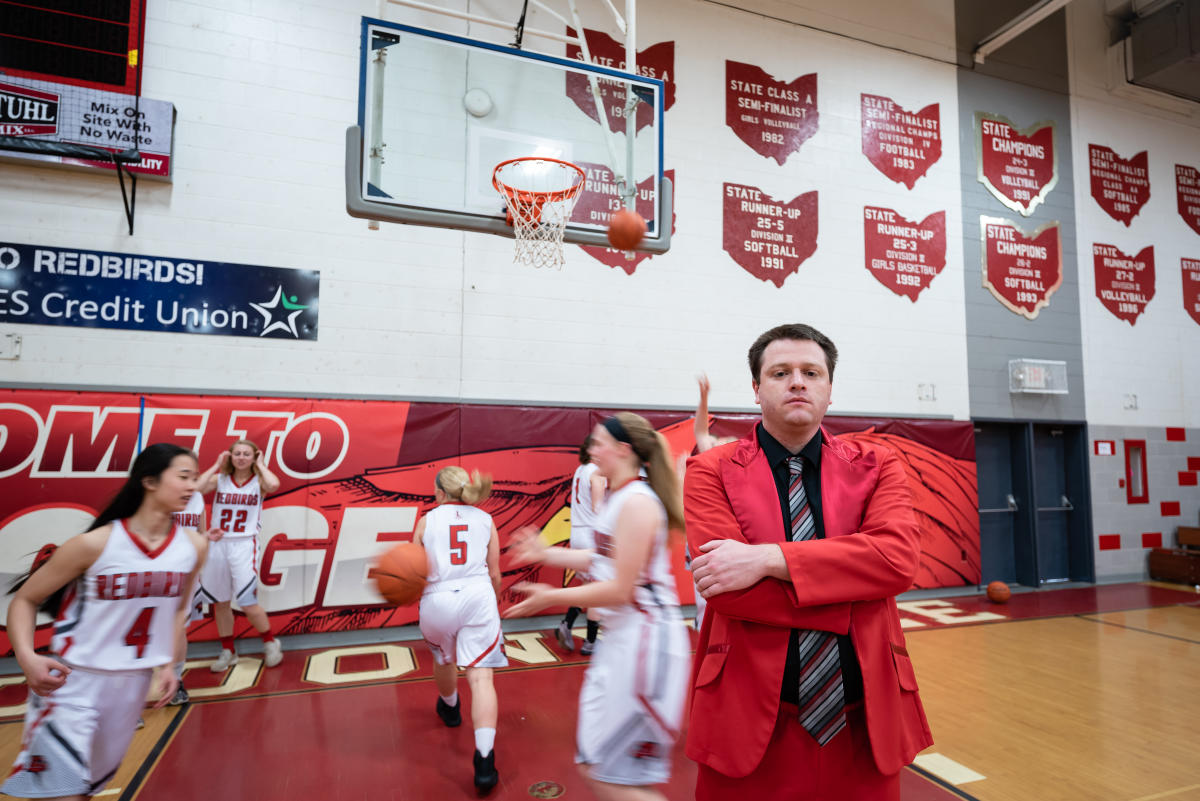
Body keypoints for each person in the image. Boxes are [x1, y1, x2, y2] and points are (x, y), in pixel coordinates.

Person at [685, 324, 933, 801]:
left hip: (864, 719)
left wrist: (770, 558)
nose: (797, 381)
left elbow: (898, 561)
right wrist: (855, 591)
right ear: (757, 390)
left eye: (810, 372)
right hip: (748, 718)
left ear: (829, 390)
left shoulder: (880, 464)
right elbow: (731, 592)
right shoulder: (708, 470)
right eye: (780, 372)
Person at [2, 443, 209, 800]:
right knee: (62, 792)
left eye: (195, 477)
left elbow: (176, 610)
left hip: (131, 688)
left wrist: (168, 665)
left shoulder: (194, 546)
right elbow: (25, 599)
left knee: (85, 791)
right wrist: (26, 656)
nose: (193, 486)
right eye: (184, 476)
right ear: (150, 482)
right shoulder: (94, 544)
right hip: (72, 683)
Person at [508, 413, 690, 801]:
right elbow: (601, 556)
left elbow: (621, 589)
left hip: (645, 645)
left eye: (598, 441)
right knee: (596, 766)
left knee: (608, 775)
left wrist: (552, 597)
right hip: (620, 641)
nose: (591, 449)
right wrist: (547, 554)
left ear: (623, 450)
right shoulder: (618, 496)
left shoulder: (639, 503)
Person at [414, 466, 506, 794]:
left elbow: (415, 573)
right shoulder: (485, 520)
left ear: (439, 492)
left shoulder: (426, 521)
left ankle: (450, 706)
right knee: (481, 678)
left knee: (443, 659)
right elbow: (495, 574)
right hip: (477, 595)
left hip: (437, 598)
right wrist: (491, 602)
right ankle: (484, 760)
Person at [196, 440, 282, 671]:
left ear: (253, 457)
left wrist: (262, 464)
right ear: (230, 456)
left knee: (247, 602)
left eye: (246, 454)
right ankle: (228, 651)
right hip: (218, 543)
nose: (241, 457)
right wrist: (215, 465)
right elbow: (198, 488)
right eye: (237, 453)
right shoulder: (221, 479)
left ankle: (270, 642)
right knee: (221, 602)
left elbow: (274, 484)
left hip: (244, 544)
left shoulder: (259, 482)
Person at [685, 374, 738, 632]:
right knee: (705, 591)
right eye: (714, 442)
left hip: (727, 543)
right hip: (706, 539)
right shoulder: (712, 462)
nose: (714, 443)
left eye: (721, 442)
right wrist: (704, 397)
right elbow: (701, 431)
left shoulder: (738, 469)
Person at [556, 434, 606, 655]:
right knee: (597, 588)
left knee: (587, 586)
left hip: (577, 533)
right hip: (590, 534)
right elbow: (598, 508)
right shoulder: (596, 472)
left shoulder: (580, 470)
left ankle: (567, 623)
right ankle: (591, 641)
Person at [167, 479, 210, 705]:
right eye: (182, 476)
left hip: (187, 572)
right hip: (159, 572)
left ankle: (176, 680)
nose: (190, 482)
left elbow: (202, 534)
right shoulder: (157, 500)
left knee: (180, 626)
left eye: (193, 476)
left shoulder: (198, 499)